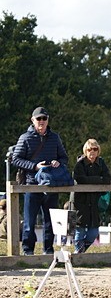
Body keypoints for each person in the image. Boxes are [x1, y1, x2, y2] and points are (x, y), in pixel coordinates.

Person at [9, 107, 69, 255]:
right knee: (29, 223)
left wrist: (57, 162)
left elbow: (64, 157)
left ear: (48, 120)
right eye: (39, 119)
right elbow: (15, 159)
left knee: (50, 222)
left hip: (50, 184)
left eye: (44, 119)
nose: (42, 122)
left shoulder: (55, 137)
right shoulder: (25, 138)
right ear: (33, 120)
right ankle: (27, 252)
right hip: (31, 184)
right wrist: (35, 166)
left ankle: (48, 251)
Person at [72, 138, 111, 254]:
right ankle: (78, 253)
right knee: (80, 230)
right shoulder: (80, 163)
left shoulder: (101, 163)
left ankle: (81, 252)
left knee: (93, 232)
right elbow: (80, 179)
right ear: (86, 150)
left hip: (94, 202)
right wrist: (98, 179)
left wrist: (93, 180)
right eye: (90, 149)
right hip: (80, 201)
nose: (92, 152)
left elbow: (107, 178)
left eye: (95, 149)